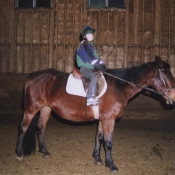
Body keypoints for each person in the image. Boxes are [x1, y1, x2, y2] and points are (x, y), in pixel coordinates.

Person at [76, 25, 106, 106]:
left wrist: (101, 65)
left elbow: (96, 59)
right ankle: (89, 98)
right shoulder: (85, 46)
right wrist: (100, 66)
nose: (91, 36)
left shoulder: (90, 46)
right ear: (85, 36)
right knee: (94, 77)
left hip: (91, 68)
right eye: (89, 34)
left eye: (92, 34)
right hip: (85, 68)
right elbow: (91, 60)